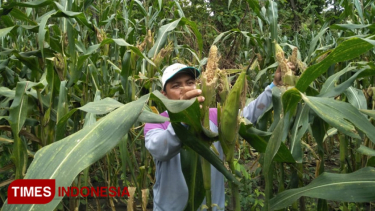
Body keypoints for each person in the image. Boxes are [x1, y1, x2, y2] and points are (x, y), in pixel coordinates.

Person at [144, 62, 284, 211]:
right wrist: (183, 117)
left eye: (190, 83)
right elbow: (159, 148)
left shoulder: (215, 116)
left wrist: (274, 86)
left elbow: (247, 115)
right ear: (164, 95)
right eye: (176, 86)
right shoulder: (157, 122)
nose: (185, 89)